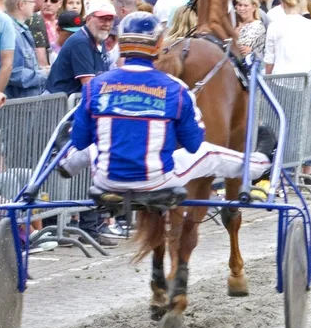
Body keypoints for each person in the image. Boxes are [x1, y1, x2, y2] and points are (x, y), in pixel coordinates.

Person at [56, 12, 273, 193]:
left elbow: (80, 138)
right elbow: (193, 144)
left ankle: (67, 163)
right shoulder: (176, 89)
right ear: (159, 45)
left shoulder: (95, 86)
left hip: (105, 179)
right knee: (208, 152)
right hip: (156, 179)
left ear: (121, 44)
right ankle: (260, 162)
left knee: (97, 144)